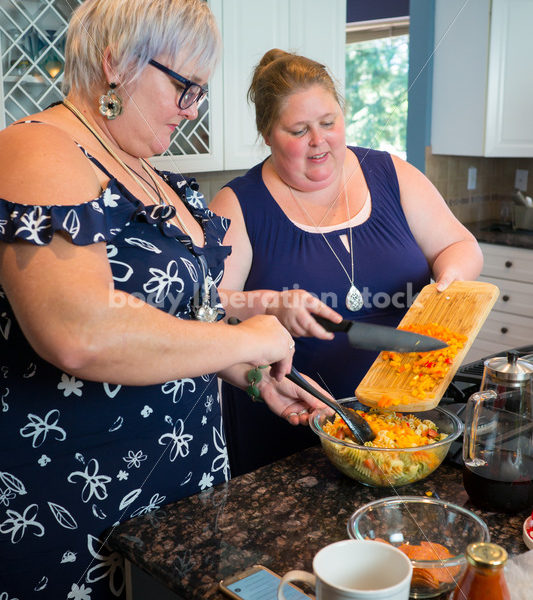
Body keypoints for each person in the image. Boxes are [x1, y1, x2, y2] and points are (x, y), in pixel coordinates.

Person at [0, 11, 329, 599]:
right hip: (75, 505)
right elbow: (82, 331)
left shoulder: (154, 176)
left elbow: (179, 317)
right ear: (117, 63)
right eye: (184, 87)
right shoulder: (38, 149)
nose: (192, 109)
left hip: (182, 497)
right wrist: (250, 338)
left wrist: (249, 375)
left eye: (199, 93)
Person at [210, 49, 484, 477]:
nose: (319, 141)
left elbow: (460, 245)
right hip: (288, 425)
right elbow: (209, 305)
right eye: (298, 130)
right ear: (267, 133)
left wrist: (446, 284)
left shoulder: (391, 172)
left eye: (328, 122)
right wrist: (268, 303)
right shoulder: (238, 203)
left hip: (401, 423)